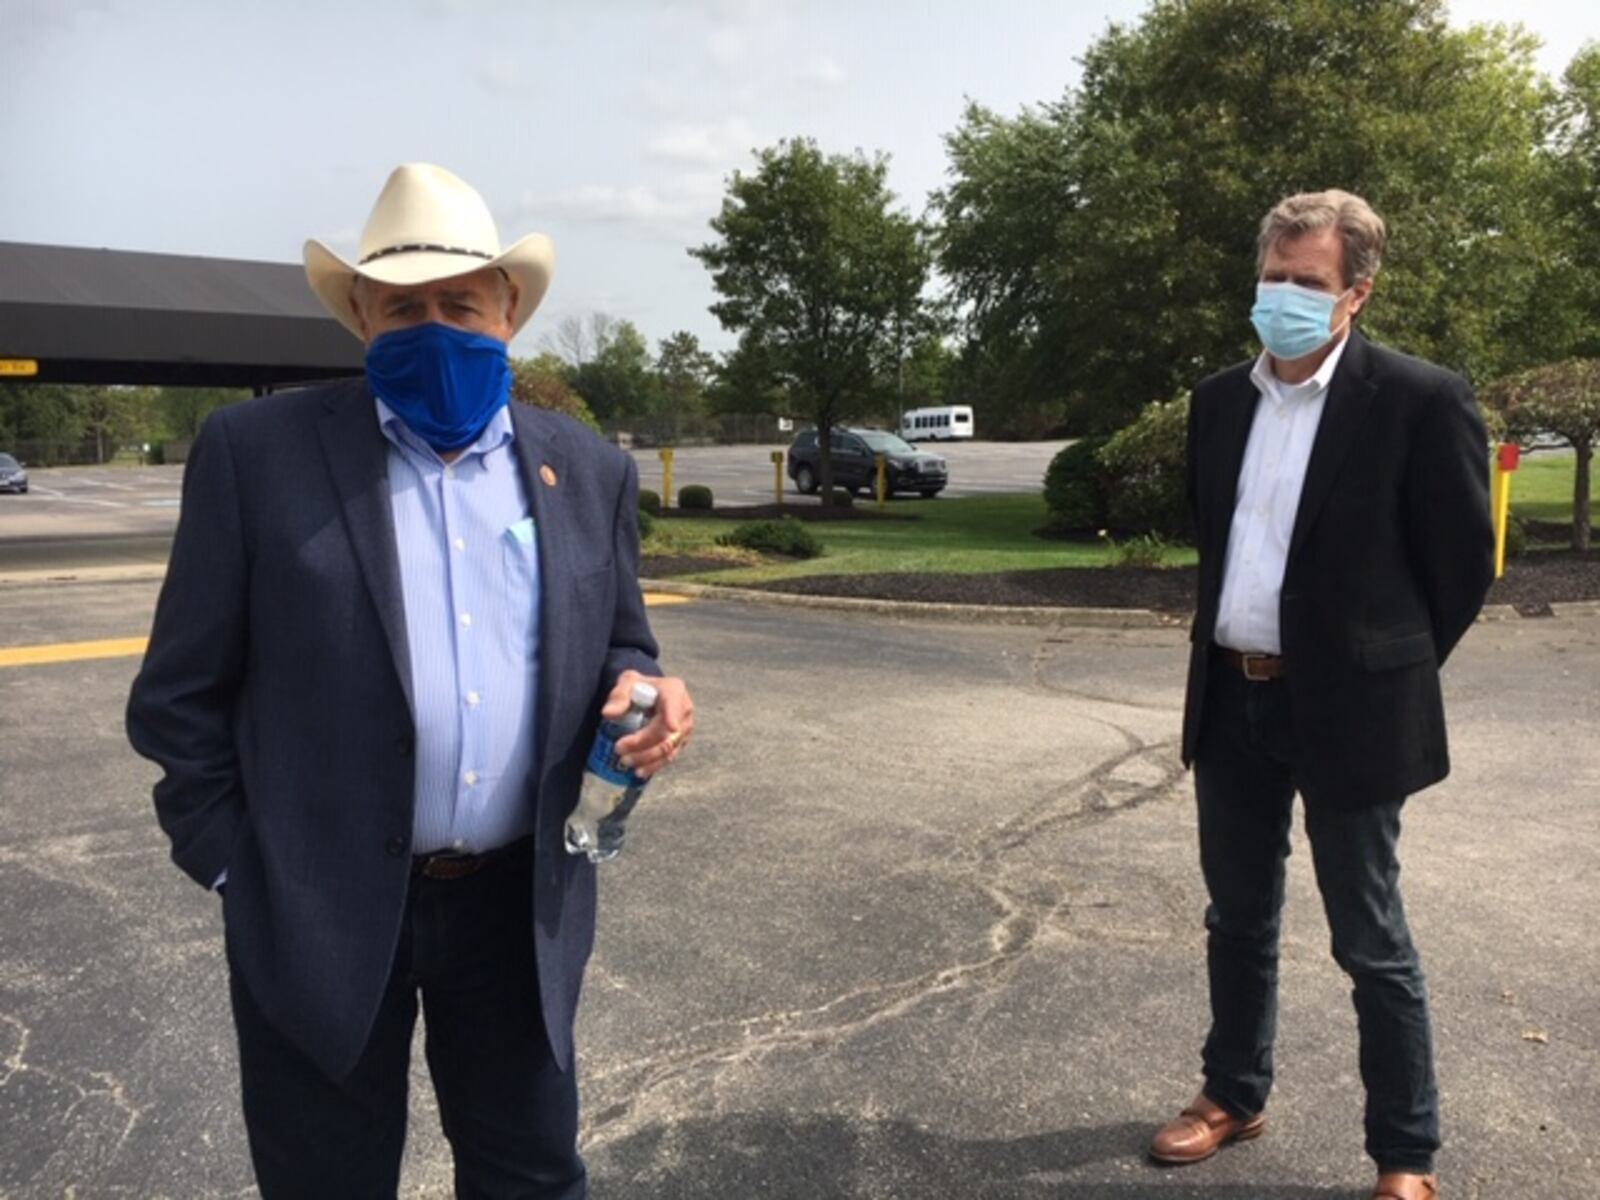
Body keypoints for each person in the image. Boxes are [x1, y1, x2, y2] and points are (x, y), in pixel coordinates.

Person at [127, 162, 694, 1198]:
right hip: (318, 905)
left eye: (459, 304)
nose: (434, 327)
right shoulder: (257, 455)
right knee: (325, 1182)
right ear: (360, 319)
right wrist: (235, 868)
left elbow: (621, 640)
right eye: (403, 307)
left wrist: (644, 686)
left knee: (529, 1176)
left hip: (514, 907)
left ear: (509, 311)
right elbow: (177, 695)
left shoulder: (588, 469)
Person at [1153, 190, 1493, 1200]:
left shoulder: (1419, 399)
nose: (1284, 297)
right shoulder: (1219, 402)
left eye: (1307, 282)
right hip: (1229, 701)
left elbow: (1460, 567)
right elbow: (1224, 548)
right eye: (1272, 278)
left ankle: (1403, 1155)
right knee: (1237, 917)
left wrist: (1379, 672)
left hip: (1348, 711)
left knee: (1369, 939)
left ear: (1355, 295)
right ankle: (1232, 1094)